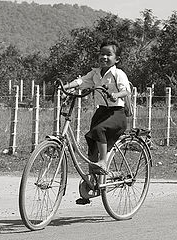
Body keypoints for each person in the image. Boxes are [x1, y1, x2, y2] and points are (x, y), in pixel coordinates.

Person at [63, 40, 130, 203]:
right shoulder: (95, 73)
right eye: (102, 54)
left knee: (99, 130)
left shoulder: (118, 74)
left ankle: (103, 162)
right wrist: (67, 86)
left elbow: (126, 90)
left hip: (116, 113)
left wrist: (116, 95)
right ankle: (93, 185)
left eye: (109, 54)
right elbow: (82, 82)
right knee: (92, 144)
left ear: (117, 59)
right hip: (101, 112)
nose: (104, 57)